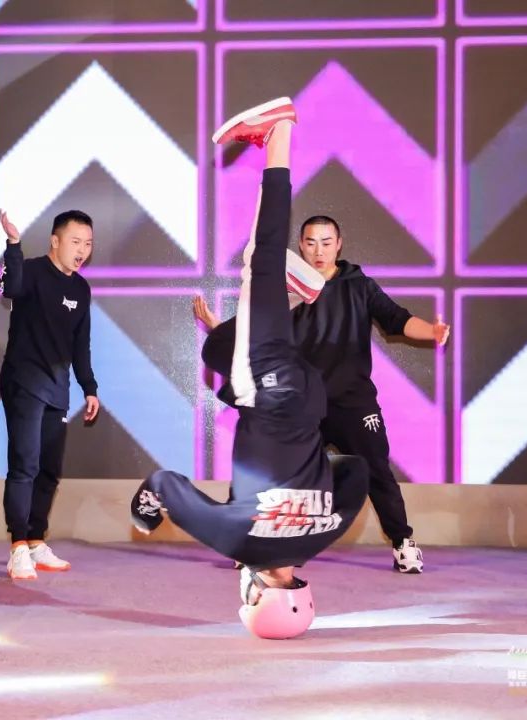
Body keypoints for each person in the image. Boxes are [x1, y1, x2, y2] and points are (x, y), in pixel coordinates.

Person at [131, 98, 369, 639]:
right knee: (262, 258)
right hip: (268, 388)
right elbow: (164, 483)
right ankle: (278, 132)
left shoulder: (324, 534)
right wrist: (144, 514)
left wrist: (305, 479)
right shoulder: (237, 540)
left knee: (226, 338)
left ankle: (294, 292)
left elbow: (355, 471)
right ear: (255, 592)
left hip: (309, 398)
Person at [195, 220, 449, 574]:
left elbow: (397, 319)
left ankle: (402, 543)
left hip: (352, 402)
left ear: (339, 244)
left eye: (326, 242)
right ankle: (250, 543)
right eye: (311, 242)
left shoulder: (359, 285)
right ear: (301, 245)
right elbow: (254, 329)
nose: (319, 250)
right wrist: (217, 329)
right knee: (271, 470)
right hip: (300, 404)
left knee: (376, 470)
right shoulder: (288, 288)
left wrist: (432, 331)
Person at [0, 209, 100, 580]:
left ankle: (36, 540)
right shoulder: (33, 271)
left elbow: (80, 344)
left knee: (49, 470)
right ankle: (17, 546)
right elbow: (10, 288)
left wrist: (90, 388)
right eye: (75, 241)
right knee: (24, 465)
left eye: (88, 243)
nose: (82, 250)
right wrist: (13, 244)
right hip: (23, 381)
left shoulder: (81, 289)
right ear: (55, 241)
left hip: (58, 388)